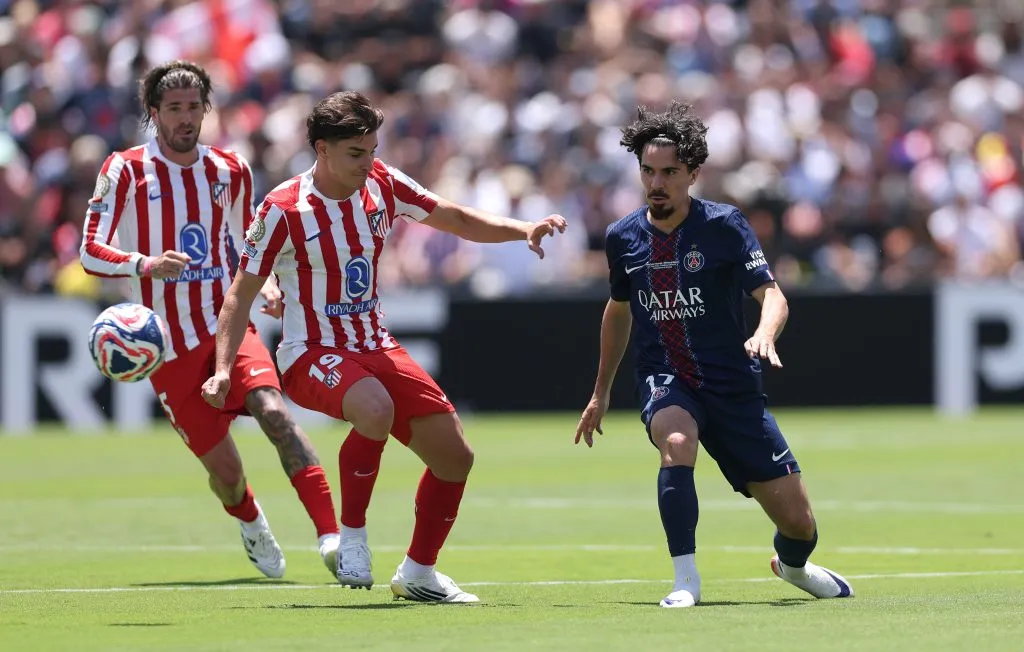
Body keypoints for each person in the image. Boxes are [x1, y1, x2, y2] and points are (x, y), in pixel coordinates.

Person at [201, 90, 567, 603]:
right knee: (374, 408)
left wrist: (522, 229)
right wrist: (222, 370)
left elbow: (454, 218)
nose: (368, 162)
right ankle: (351, 539)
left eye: (372, 149)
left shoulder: (383, 183)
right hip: (310, 353)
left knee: (455, 457)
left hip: (375, 344)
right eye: (356, 152)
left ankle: (418, 572)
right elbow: (239, 296)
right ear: (321, 148)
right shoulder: (282, 208)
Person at [574, 102, 853, 608]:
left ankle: (793, 566)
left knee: (799, 524)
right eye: (648, 171)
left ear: (693, 174)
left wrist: (765, 333)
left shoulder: (724, 226)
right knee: (677, 439)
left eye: (669, 173)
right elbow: (618, 311)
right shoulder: (622, 237)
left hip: (733, 386)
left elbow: (772, 295)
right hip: (666, 378)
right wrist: (601, 392)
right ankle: (685, 580)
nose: (656, 183)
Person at [79, 60, 341, 580]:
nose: (184, 118)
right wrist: (144, 264)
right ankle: (249, 519)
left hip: (227, 326)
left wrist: (266, 288)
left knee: (276, 415)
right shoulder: (125, 168)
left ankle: (335, 539)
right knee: (226, 474)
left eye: (193, 107)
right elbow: (88, 251)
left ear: (206, 110)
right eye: (173, 109)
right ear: (154, 113)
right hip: (167, 348)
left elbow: (251, 248)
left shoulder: (230, 170)